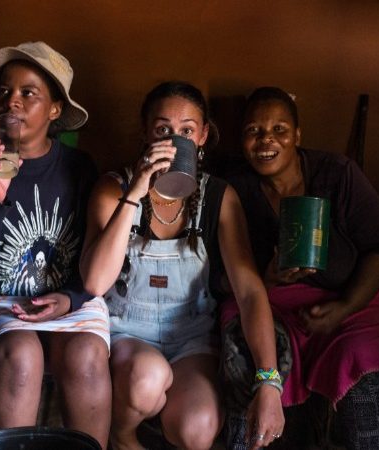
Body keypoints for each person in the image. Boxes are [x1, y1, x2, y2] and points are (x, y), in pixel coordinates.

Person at [79, 81, 285, 450]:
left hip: (191, 335)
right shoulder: (114, 188)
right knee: (147, 379)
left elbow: (250, 291)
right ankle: (122, 435)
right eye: (163, 131)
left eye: (187, 131)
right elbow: (94, 282)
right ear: (146, 132)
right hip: (128, 333)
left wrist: (269, 380)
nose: (175, 141)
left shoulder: (219, 196)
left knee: (199, 427)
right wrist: (137, 191)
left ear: (202, 136)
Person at [0, 42, 111, 448]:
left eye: (28, 92)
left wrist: (70, 298)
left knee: (86, 353)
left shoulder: (79, 169)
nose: (10, 102)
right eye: (3, 91)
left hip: (66, 299)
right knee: (21, 353)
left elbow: (94, 259)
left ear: (55, 110)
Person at [219, 87, 379, 450]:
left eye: (279, 130)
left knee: (358, 359)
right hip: (264, 301)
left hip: (345, 303)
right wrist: (268, 278)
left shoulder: (336, 175)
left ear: (297, 136)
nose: (266, 140)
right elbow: (222, 280)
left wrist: (346, 306)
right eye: (254, 131)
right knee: (244, 358)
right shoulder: (233, 189)